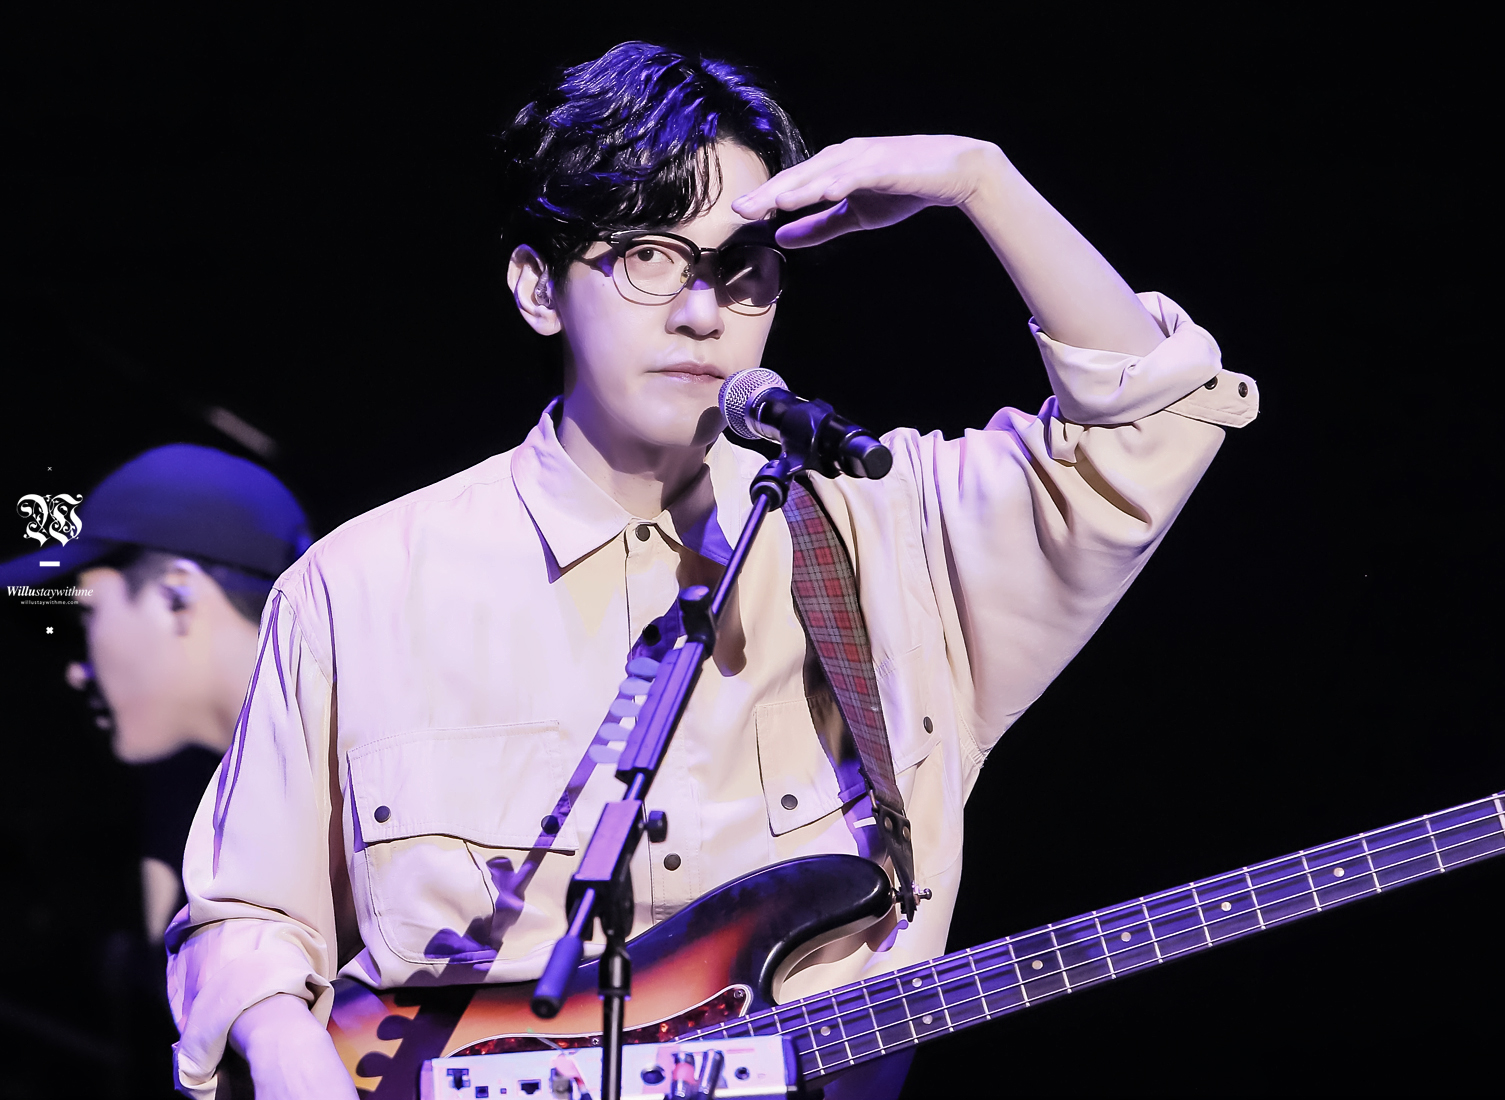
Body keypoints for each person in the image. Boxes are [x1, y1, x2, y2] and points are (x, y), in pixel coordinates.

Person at [165, 42, 1259, 1099]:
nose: (701, 312)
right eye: (648, 256)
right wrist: (284, 1046)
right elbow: (244, 913)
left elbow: (1151, 421)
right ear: (539, 289)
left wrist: (980, 179)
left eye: (742, 271)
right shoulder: (359, 586)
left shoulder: (885, 535)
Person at [0, 444, 312, 947]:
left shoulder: (380, 764)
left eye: (87, 615)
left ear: (176, 594)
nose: (77, 673)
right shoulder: (192, 817)